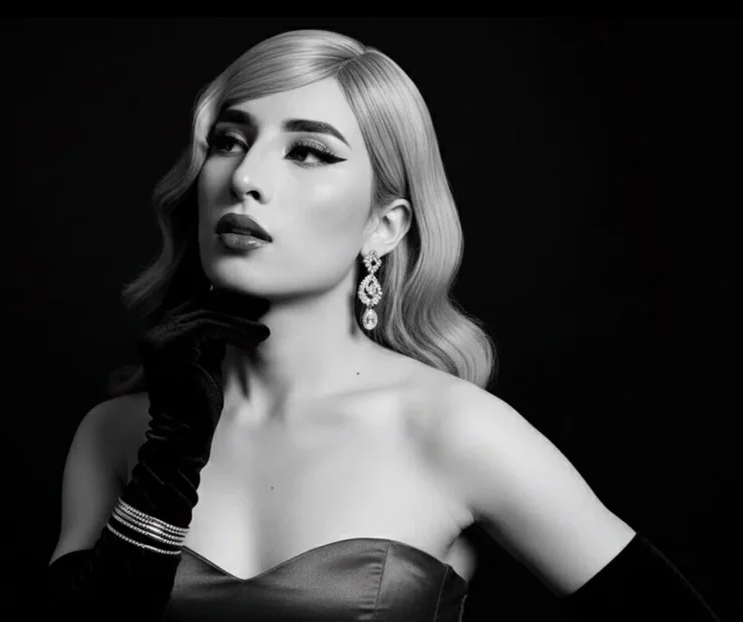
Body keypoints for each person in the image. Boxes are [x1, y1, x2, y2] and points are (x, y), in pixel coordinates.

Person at [43, 29, 721, 620]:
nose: (245, 176)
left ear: (384, 226)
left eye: (309, 151)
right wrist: (173, 450)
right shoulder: (117, 435)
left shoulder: (453, 428)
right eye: (228, 141)